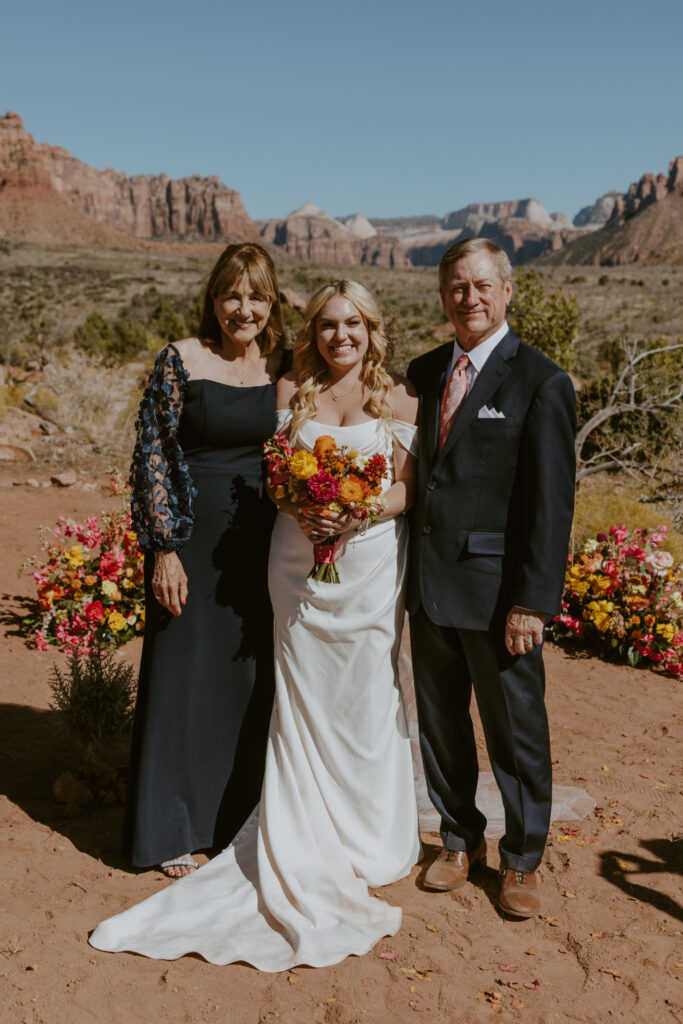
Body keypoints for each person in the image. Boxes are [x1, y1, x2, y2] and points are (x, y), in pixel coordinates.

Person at [89, 279, 421, 969]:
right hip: (295, 562)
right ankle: (292, 821)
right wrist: (302, 506)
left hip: (365, 568)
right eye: (327, 325)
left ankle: (367, 837)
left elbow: (406, 487)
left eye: (352, 324)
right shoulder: (289, 390)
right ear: (313, 331)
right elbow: (273, 476)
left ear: (372, 328)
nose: (340, 337)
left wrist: (361, 511)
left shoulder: (401, 397)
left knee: (364, 695)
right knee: (297, 697)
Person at [406, 238, 576, 917]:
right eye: (456, 286)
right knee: (441, 726)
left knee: (514, 729)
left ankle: (522, 858)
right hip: (427, 588)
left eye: (481, 285)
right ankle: (457, 839)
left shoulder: (540, 381)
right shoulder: (420, 373)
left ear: (507, 292)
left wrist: (531, 602)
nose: (468, 298)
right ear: (442, 294)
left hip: (500, 596)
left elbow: (550, 503)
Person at [123, 242, 288, 878]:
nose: (243, 309)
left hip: (266, 544)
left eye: (256, 296)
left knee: (250, 682)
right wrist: (163, 548)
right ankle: (172, 828)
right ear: (213, 298)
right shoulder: (182, 360)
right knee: (183, 678)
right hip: (190, 540)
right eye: (232, 295)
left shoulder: (285, 364)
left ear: (271, 301)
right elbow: (154, 456)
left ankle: (238, 823)